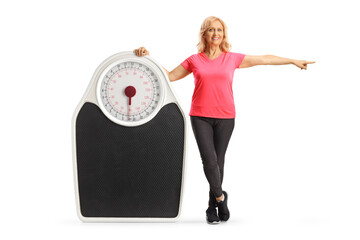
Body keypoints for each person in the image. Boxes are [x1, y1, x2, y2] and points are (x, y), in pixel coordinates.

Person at [134, 16, 315, 224]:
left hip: (226, 117)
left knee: (219, 162)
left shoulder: (232, 58)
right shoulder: (194, 60)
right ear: (205, 34)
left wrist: (292, 61)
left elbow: (264, 59)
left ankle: (211, 208)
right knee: (209, 161)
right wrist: (147, 58)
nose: (216, 34)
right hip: (200, 116)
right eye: (211, 30)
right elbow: (169, 76)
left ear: (224, 34)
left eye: (219, 30)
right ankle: (221, 198)